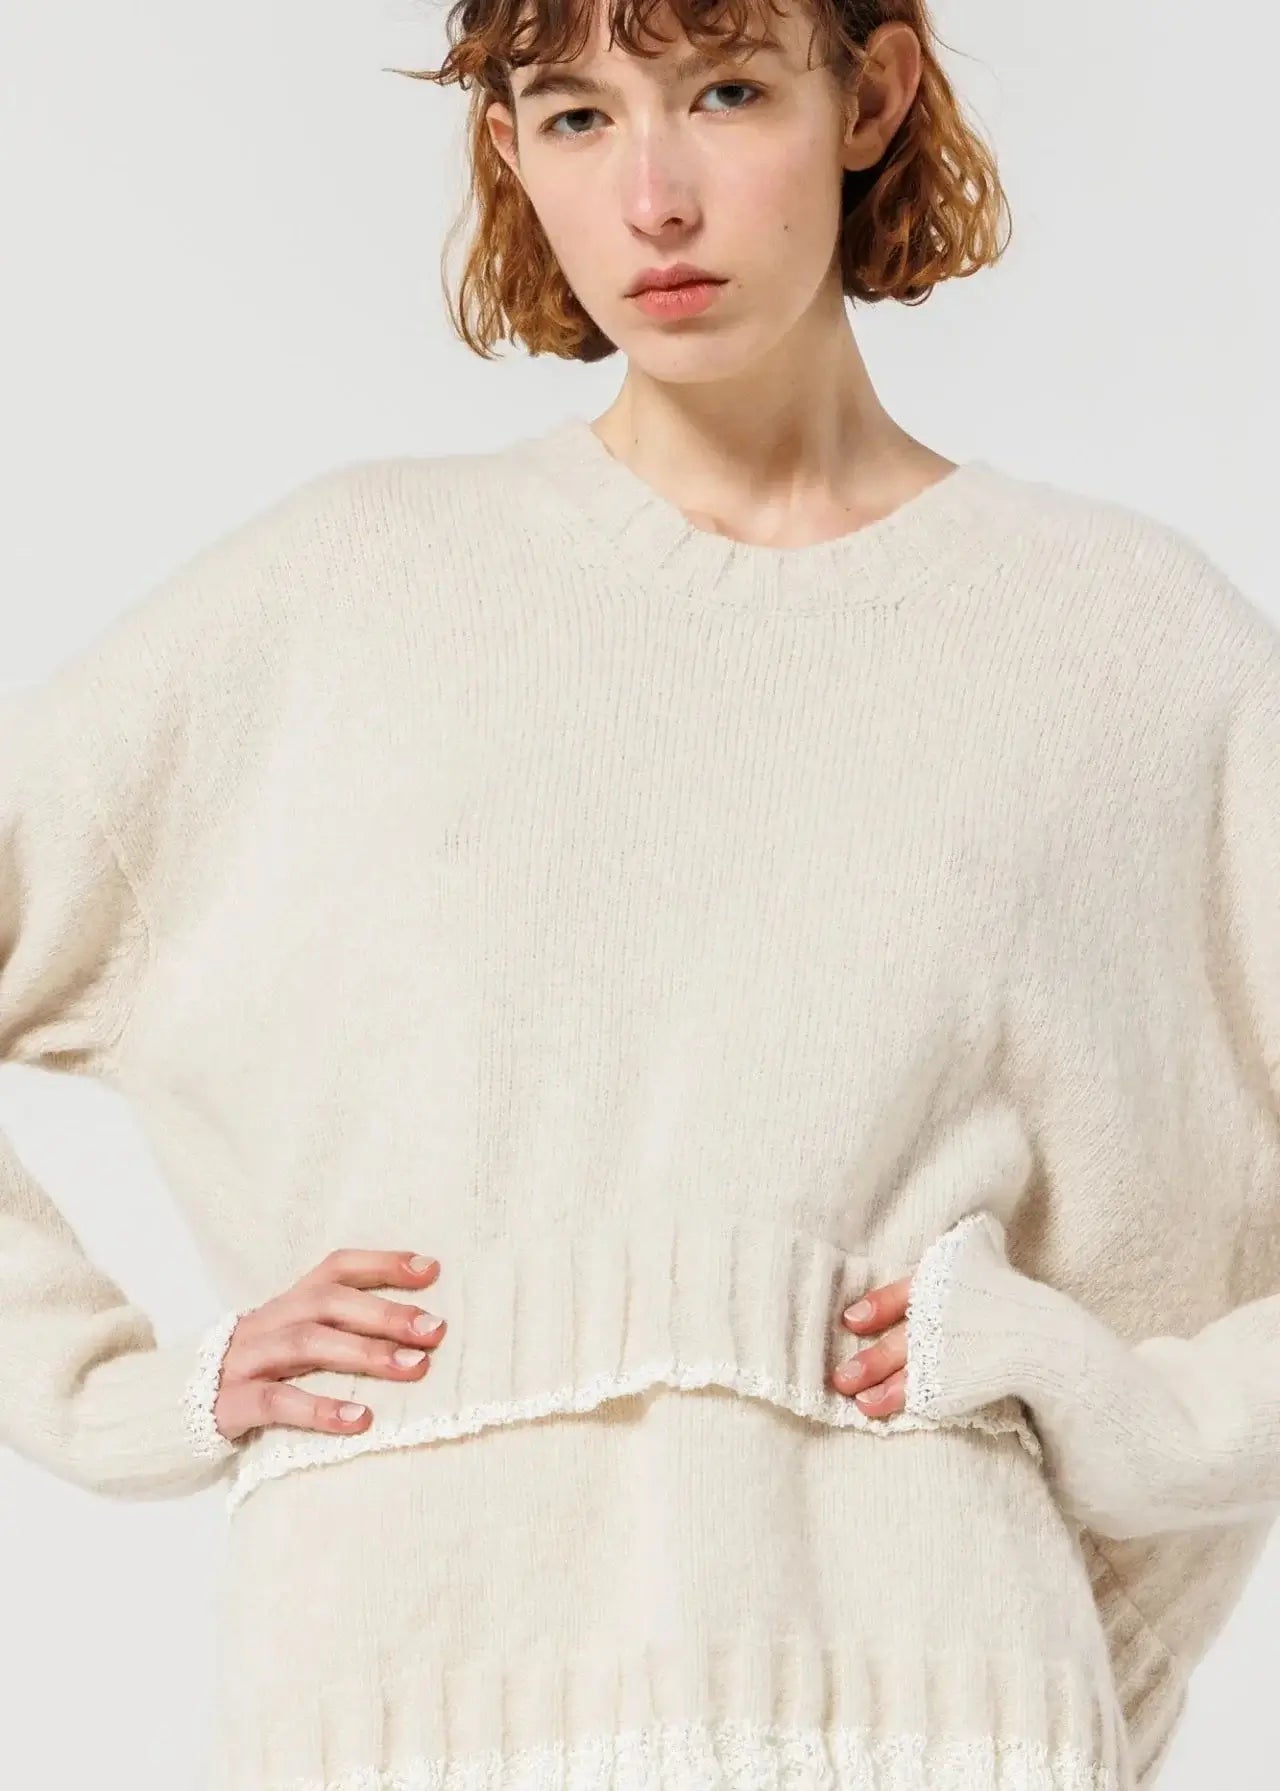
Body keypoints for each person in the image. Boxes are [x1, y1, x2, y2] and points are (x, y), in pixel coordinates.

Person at [2, 0, 1276, 1786]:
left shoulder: (1130, 650)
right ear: (509, 148)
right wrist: (117, 1391)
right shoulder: (344, 600)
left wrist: (1115, 1409)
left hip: (941, 1705)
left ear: (873, 94)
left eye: (727, 92)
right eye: (578, 116)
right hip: (402, 1705)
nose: (654, 199)